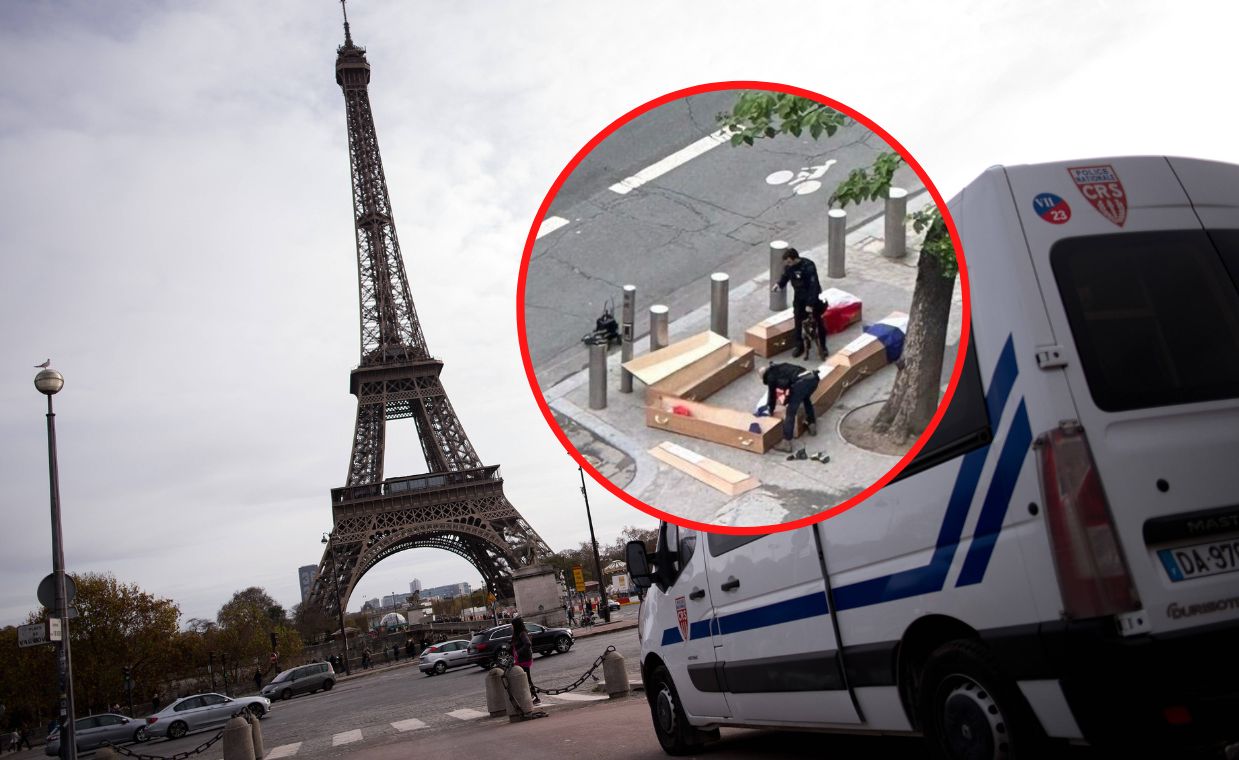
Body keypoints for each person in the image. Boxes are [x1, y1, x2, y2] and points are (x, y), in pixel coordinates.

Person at [772, 246, 828, 359]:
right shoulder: (789, 267)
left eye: (789, 262)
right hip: (799, 298)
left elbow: (814, 286)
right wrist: (779, 285)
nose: (788, 264)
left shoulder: (808, 266)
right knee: (798, 322)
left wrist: (810, 304)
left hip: (811, 298)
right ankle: (799, 346)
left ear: (794, 259)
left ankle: (823, 346)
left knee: (818, 322)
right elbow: (786, 276)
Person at [761, 362, 820, 453]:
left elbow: (772, 395)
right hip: (813, 379)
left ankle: (786, 442)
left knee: (790, 412)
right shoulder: (781, 367)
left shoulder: (770, 377)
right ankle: (812, 424)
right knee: (806, 399)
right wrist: (787, 400)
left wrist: (771, 409)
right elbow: (789, 385)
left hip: (802, 383)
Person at [509, 617, 539, 705]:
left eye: (512, 625)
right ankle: (531, 697)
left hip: (524, 659)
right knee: (524, 679)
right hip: (519, 659)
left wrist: (518, 652)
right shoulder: (516, 634)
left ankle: (535, 698)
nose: (511, 627)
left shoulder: (522, 633)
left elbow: (528, 644)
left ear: (516, 625)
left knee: (527, 679)